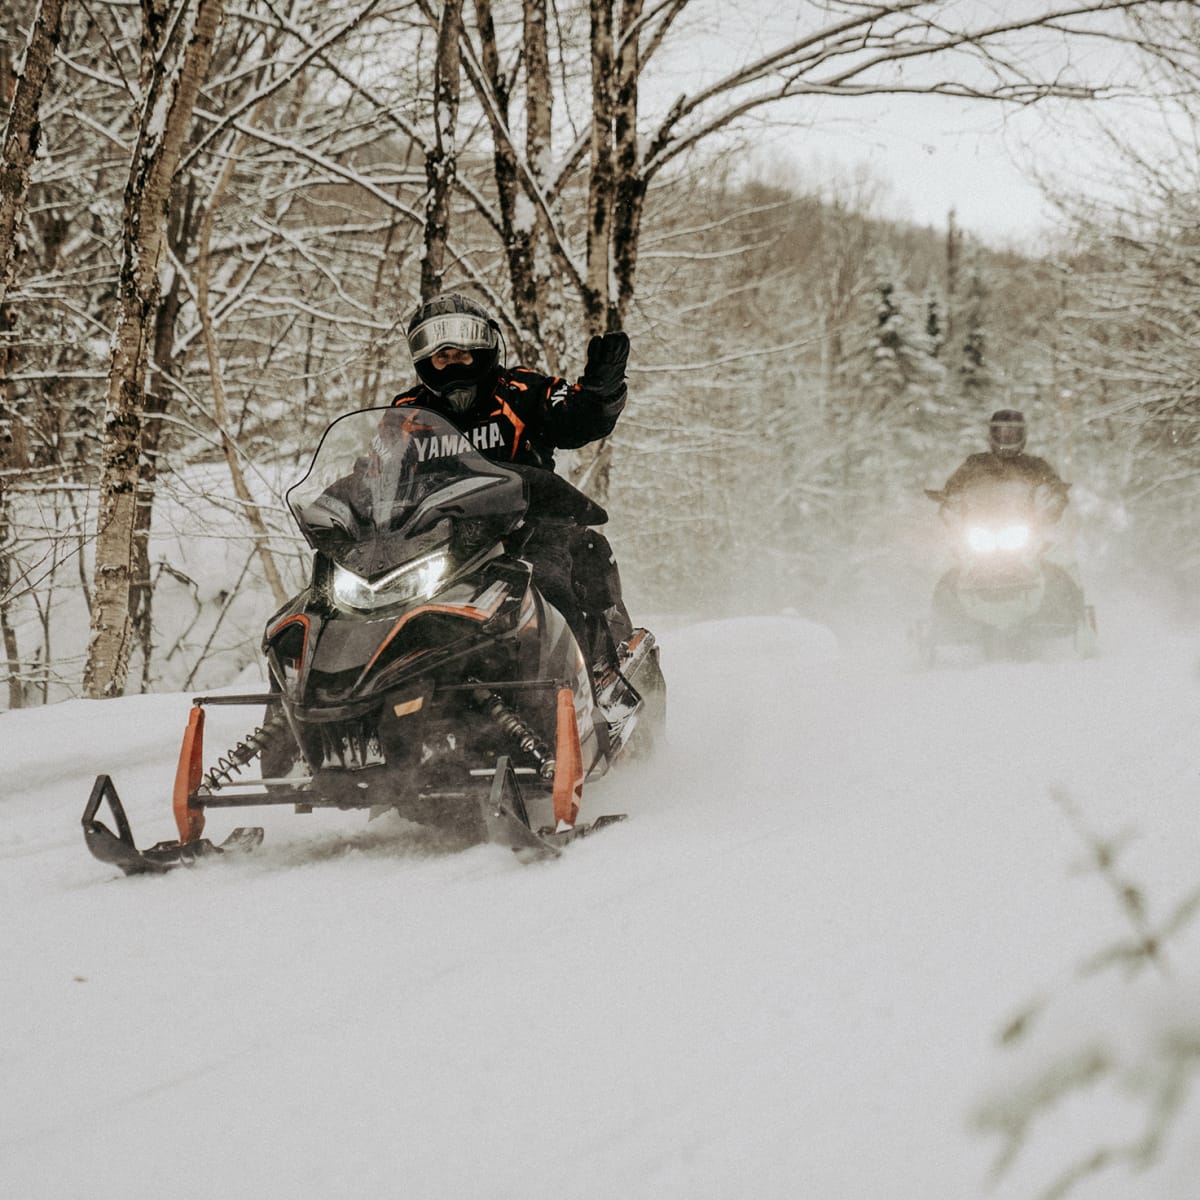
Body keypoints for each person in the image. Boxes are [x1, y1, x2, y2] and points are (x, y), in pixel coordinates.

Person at [393, 291, 634, 665]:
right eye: (442, 355)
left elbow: (573, 418)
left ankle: (576, 695)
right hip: (436, 545)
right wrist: (336, 509)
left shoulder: (521, 390)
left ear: (484, 347)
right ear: (425, 359)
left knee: (549, 589)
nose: (453, 362)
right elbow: (378, 467)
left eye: (462, 351)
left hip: (530, 532)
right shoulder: (408, 412)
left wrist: (600, 393)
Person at [940, 408, 1070, 521]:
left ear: (1022, 435)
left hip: (1025, 528)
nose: (1006, 437)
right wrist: (951, 499)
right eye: (1001, 433)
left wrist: (1053, 500)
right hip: (979, 526)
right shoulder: (976, 463)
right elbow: (954, 486)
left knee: (1052, 547)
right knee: (955, 547)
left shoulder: (1035, 465)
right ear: (992, 434)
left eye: (1012, 433)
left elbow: (1053, 487)